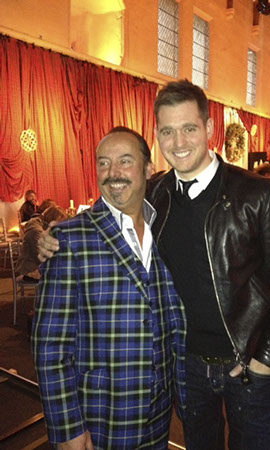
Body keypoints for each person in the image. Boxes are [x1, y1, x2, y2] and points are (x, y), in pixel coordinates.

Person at [38, 81, 270, 450]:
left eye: (189, 128)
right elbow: (112, 205)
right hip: (188, 370)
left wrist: (265, 361)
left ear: (209, 129)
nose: (178, 142)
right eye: (167, 131)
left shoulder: (258, 194)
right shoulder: (157, 194)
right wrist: (52, 235)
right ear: (157, 136)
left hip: (247, 367)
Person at [32, 127, 186, 449]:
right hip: (99, 417)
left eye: (125, 161)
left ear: (146, 169)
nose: (113, 173)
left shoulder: (167, 232)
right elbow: (50, 347)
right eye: (104, 163)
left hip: (158, 417)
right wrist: (68, 429)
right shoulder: (69, 239)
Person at [15, 204, 67, 280]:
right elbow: (41, 255)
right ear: (52, 219)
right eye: (59, 221)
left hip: (36, 265)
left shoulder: (43, 226)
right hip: (30, 269)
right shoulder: (36, 231)